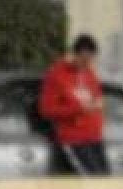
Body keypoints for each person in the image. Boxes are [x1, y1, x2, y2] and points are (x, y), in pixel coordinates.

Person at [38, 34, 109, 176]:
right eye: (84, 59)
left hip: (94, 138)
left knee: (104, 179)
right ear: (75, 55)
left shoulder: (89, 74)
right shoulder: (57, 75)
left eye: (90, 60)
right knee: (92, 179)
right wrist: (79, 109)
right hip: (74, 139)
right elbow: (47, 110)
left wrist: (98, 105)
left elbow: (97, 98)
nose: (87, 64)